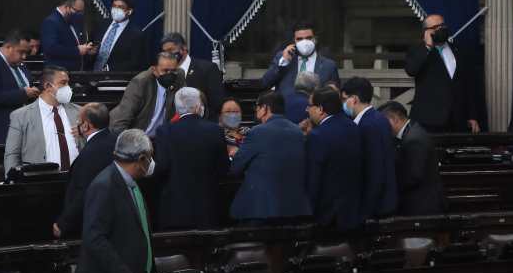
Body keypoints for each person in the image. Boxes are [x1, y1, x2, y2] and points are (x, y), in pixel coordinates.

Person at [70, 129, 156, 273]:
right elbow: (94, 238)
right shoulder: (104, 186)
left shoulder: (131, 184)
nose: (152, 162)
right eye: (150, 157)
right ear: (141, 159)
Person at [153, 88, 229, 230]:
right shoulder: (215, 130)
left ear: (177, 109)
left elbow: (162, 167)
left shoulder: (164, 131)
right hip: (208, 209)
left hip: (175, 210)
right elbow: (223, 169)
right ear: (198, 106)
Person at [230, 92, 311, 223]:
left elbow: (235, 168)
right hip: (294, 209)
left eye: (257, 106)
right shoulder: (298, 132)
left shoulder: (257, 132)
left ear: (265, 108)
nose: (256, 110)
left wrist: (237, 153)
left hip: (261, 210)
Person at [405, 14, 481, 134]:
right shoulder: (417, 50)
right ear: (426, 31)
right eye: (436, 27)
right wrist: (428, 46)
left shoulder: (458, 50)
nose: (441, 29)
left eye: (443, 25)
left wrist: (472, 116)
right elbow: (411, 70)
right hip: (429, 120)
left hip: (457, 120)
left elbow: (468, 85)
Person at [53, 103, 117, 238]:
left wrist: (64, 223)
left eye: (79, 121)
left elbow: (82, 192)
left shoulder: (89, 153)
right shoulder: (116, 140)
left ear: (86, 125)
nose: (77, 124)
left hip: (93, 221)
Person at [3, 66, 83, 171]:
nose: (68, 87)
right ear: (48, 86)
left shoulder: (80, 112)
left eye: (68, 83)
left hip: (77, 177)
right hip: (39, 178)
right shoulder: (21, 116)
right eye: (63, 83)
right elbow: (12, 154)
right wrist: (12, 179)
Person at [305, 86, 362, 230]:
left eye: (310, 106)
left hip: (328, 215)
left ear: (320, 109)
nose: (307, 110)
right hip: (354, 210)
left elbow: (314, 177)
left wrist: (309, 211)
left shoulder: (317, 135)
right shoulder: (355, 127)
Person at [341, 77, 398, 220]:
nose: (343, 104)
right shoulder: (379, 119)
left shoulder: (367, 126)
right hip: (385, 200)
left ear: (354, 99)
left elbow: (374, 169)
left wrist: (366, 211)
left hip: (376, 206)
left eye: (344, 99)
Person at [381, 101, 446, 216]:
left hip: (422, 205)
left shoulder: (414, 139)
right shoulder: (411, 131)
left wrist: (390, 186)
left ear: (394, 119)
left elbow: (414, 176)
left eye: (383, 122)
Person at [0, 29, 39, 145]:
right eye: (21, 52)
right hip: (0, 134)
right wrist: (24, 94)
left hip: (24, 132)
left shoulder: (21, 66)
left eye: (26, 52)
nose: (24, 56)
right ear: (8, 47)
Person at [109, 52, 185, 135]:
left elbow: (185, 107)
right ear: (154, 70)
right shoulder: (141, 83)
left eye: (173, 70)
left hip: (162, 137)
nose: (169, 74)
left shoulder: (179, 76)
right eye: (165, 70)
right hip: (138, 137)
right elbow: (119, 123)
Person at [259, 21, 339, 98]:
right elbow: (265, 83)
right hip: (287, 106)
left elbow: (334, 96)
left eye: (309, 38)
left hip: (315, 106)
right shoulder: (282, 57)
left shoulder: (329, 66)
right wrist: (284, 62)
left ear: (315, 39)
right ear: (294, 41)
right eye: (299, 39)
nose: (304, 42)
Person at [161, 32, 224, 120]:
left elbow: (217, 104)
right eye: (165, 52)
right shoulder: (164, 73)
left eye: (171, 50)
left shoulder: (207, 69)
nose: (167, 54)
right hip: (171, 126)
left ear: (184, 48)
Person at [40, 0, 97, 71]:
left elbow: (77, 44)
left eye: (81, 12)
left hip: (77, 73)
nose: (80, 14)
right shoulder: (51, 22)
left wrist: (86, 50)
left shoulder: (74, 20)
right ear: (67, 6)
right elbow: (51, 48)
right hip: (59, 73)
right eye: (77, 11)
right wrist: (77, 50)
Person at [92, 0, 145, 72]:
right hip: (91, 74)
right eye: (114, 6)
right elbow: (92, 47)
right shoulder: (101, 24)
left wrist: (109, 69)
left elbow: (135, 62)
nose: (116, 9)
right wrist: (90, 53)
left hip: (115, 77)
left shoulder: (136, 34)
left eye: (120, 7)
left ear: (129, 11)